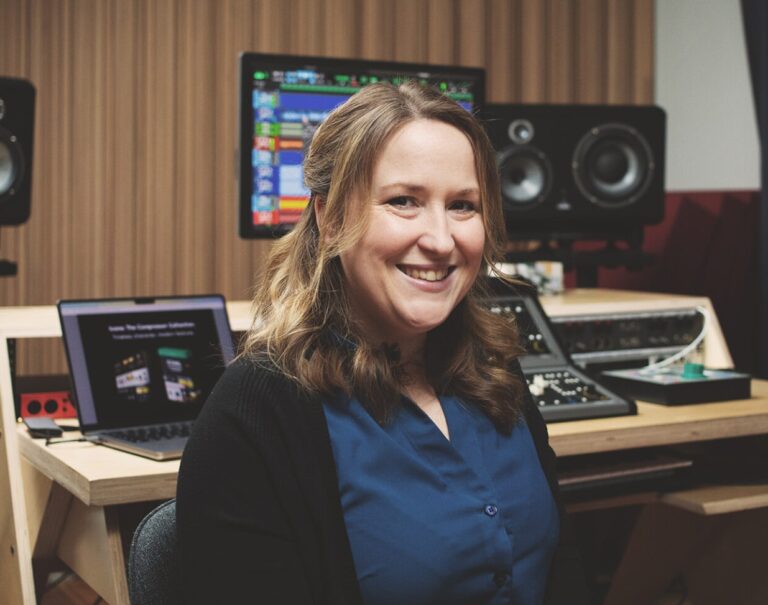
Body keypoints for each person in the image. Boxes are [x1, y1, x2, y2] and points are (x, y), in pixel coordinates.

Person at [177, 81, 588, 605]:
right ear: (329, 219)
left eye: (463, 206)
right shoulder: (257, 411)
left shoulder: (496, 370)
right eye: (403, 201)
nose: (441, 239)